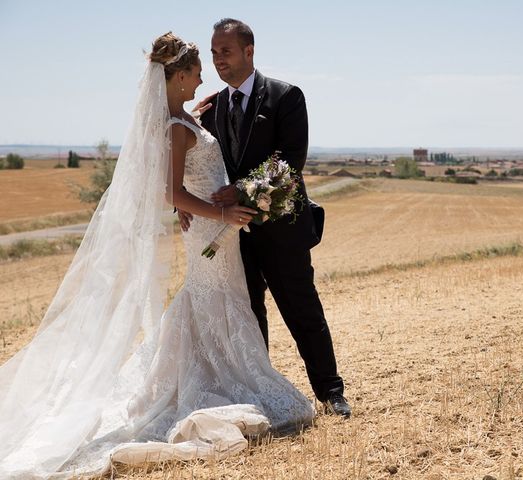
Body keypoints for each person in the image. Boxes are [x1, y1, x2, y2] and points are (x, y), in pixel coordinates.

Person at [0, 32, 314, 479]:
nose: (204, 74)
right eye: (196, 70)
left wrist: (199, 120)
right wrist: (222, 211)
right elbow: (172, 191)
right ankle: (218, 380)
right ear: (180, 75)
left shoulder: (184, 118)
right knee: (210, 296)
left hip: (215, 226)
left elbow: (185, 172)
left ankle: (226, 373)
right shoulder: (175, 129)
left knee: (215, 297)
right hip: (211, 224)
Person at [179, 18, 351, 418]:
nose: (219, 59)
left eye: (227, 51)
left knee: (302, 310)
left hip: (284, 230)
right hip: (232, 235)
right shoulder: (211, 108)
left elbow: (291, 163)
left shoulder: (286, 96)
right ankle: (263, 395)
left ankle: (331, 392)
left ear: (249, 51)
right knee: (248, 315)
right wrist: (182, 204)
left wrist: (240, 191)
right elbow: (193, 163)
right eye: (214, 52)